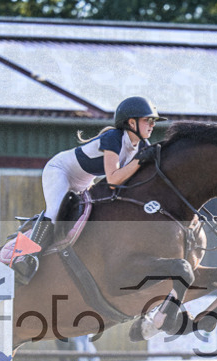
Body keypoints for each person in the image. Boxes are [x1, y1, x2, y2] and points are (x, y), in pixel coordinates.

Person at [11, 96, 165, 284]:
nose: (152, 125)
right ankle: (24, 258)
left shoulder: (142, 146)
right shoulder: (114, 138)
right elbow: (114, 179)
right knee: (55, 213)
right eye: (148, 120)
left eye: (153, 121)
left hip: (85, 181)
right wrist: (140, 161)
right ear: (131, 122)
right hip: (61, 171)